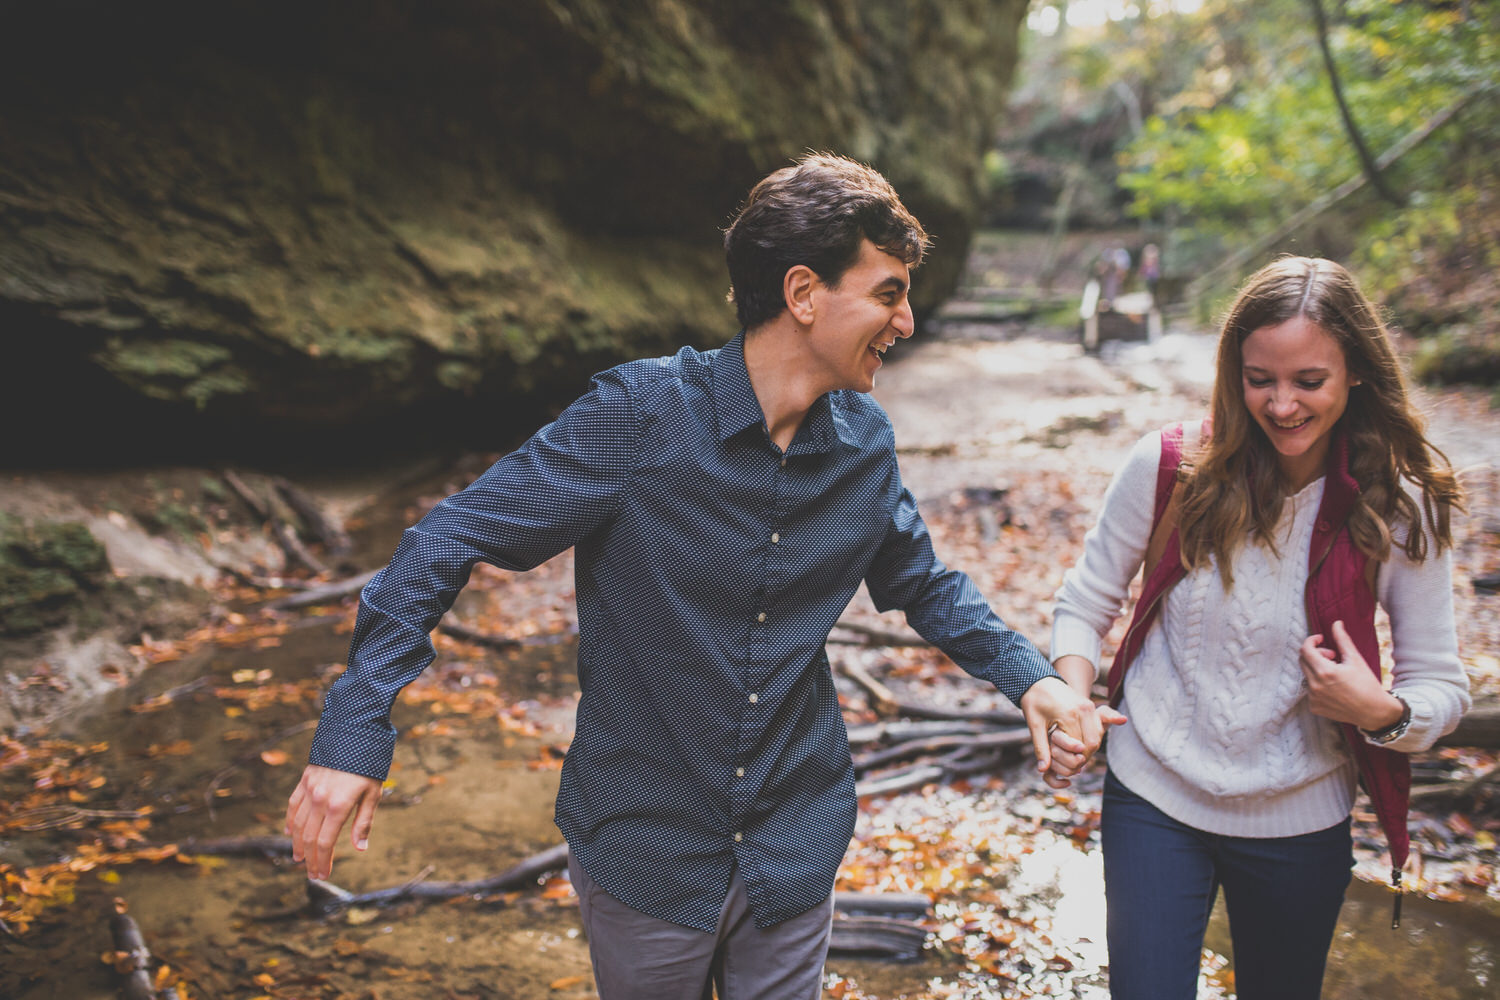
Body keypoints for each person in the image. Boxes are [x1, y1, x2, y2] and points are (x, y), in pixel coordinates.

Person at [285, 153, 1104, 1000]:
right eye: (888, 292)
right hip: (646, 848)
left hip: (795, 838)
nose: (904, 321)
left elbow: (924, 585)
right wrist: (355, 738)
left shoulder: (864, 444)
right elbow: (445, 540)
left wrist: (1032, 681)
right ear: (803, 294)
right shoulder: (641, 416)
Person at [1047, 256, 1470, 1000]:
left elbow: (1440, 684)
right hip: (1154, 795)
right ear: (1231, 373)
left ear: (1357, 374)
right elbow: (1085, 604)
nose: (1281, 405)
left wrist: (1379, 712)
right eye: (1259, 379)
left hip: (1300, 820)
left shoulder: (1397, 505)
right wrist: (1076, 699)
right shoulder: (1171, 466)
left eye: (1309, 381)